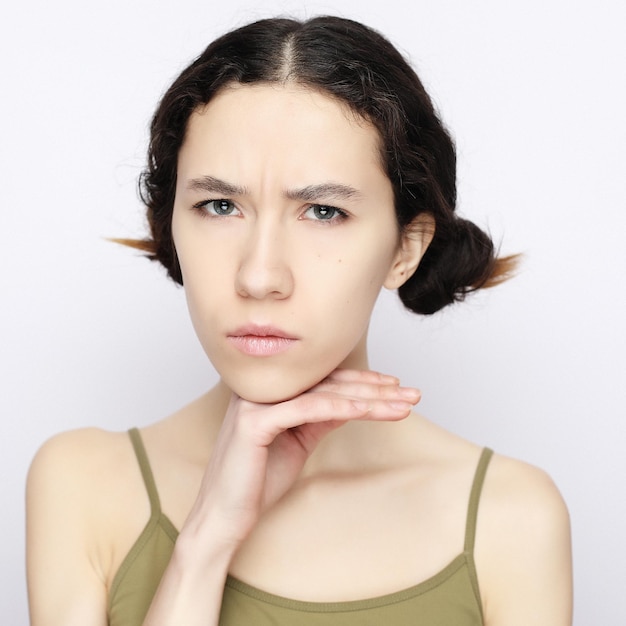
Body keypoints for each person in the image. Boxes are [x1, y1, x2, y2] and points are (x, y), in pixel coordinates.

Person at [25, 16, 572, 626]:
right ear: (172, 224)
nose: (259, 277)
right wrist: (205, 542)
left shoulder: (512, 517)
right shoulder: (81, 485)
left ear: (404, 249)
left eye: (322, 210)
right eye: (220, 205)